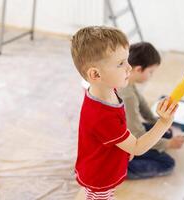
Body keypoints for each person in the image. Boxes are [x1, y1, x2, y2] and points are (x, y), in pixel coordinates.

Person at [71, 26, 178, 200]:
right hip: (100, 175)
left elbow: (121, 128)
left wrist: (125, 150)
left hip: (100, 164)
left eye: (126, 60)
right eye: (121, 63)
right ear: (96, 75)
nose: (129, 68)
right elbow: (137, 146)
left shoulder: (107, 89)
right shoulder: (102, 115)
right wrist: (164, 123)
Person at [118, 42, 184, 179]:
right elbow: (137, 135)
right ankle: (122, 168)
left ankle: (130, 158)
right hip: (124, 141)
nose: (151, 76)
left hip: (128, 131)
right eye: (150, 72)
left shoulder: (127, 81)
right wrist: (168, 144)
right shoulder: (127, 96)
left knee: (166, 133)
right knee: (168, 164)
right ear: (138, 69)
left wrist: (157, 122)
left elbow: (142, 106)